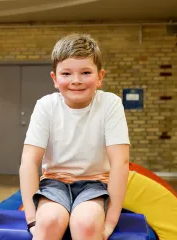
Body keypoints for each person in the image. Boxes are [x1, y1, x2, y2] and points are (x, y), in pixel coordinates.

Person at [19, 33, 130, 240]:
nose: (76, 81)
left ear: (100, 77)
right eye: (67, 73)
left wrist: (109, 223)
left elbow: (120, 163)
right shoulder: (46, 105)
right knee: (50, 220)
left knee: (86, 223)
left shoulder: (110, 104)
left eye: (86, 72)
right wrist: (32, 220)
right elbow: (28, 161)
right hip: (54, 182)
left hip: (95, 183)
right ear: (55, 78)